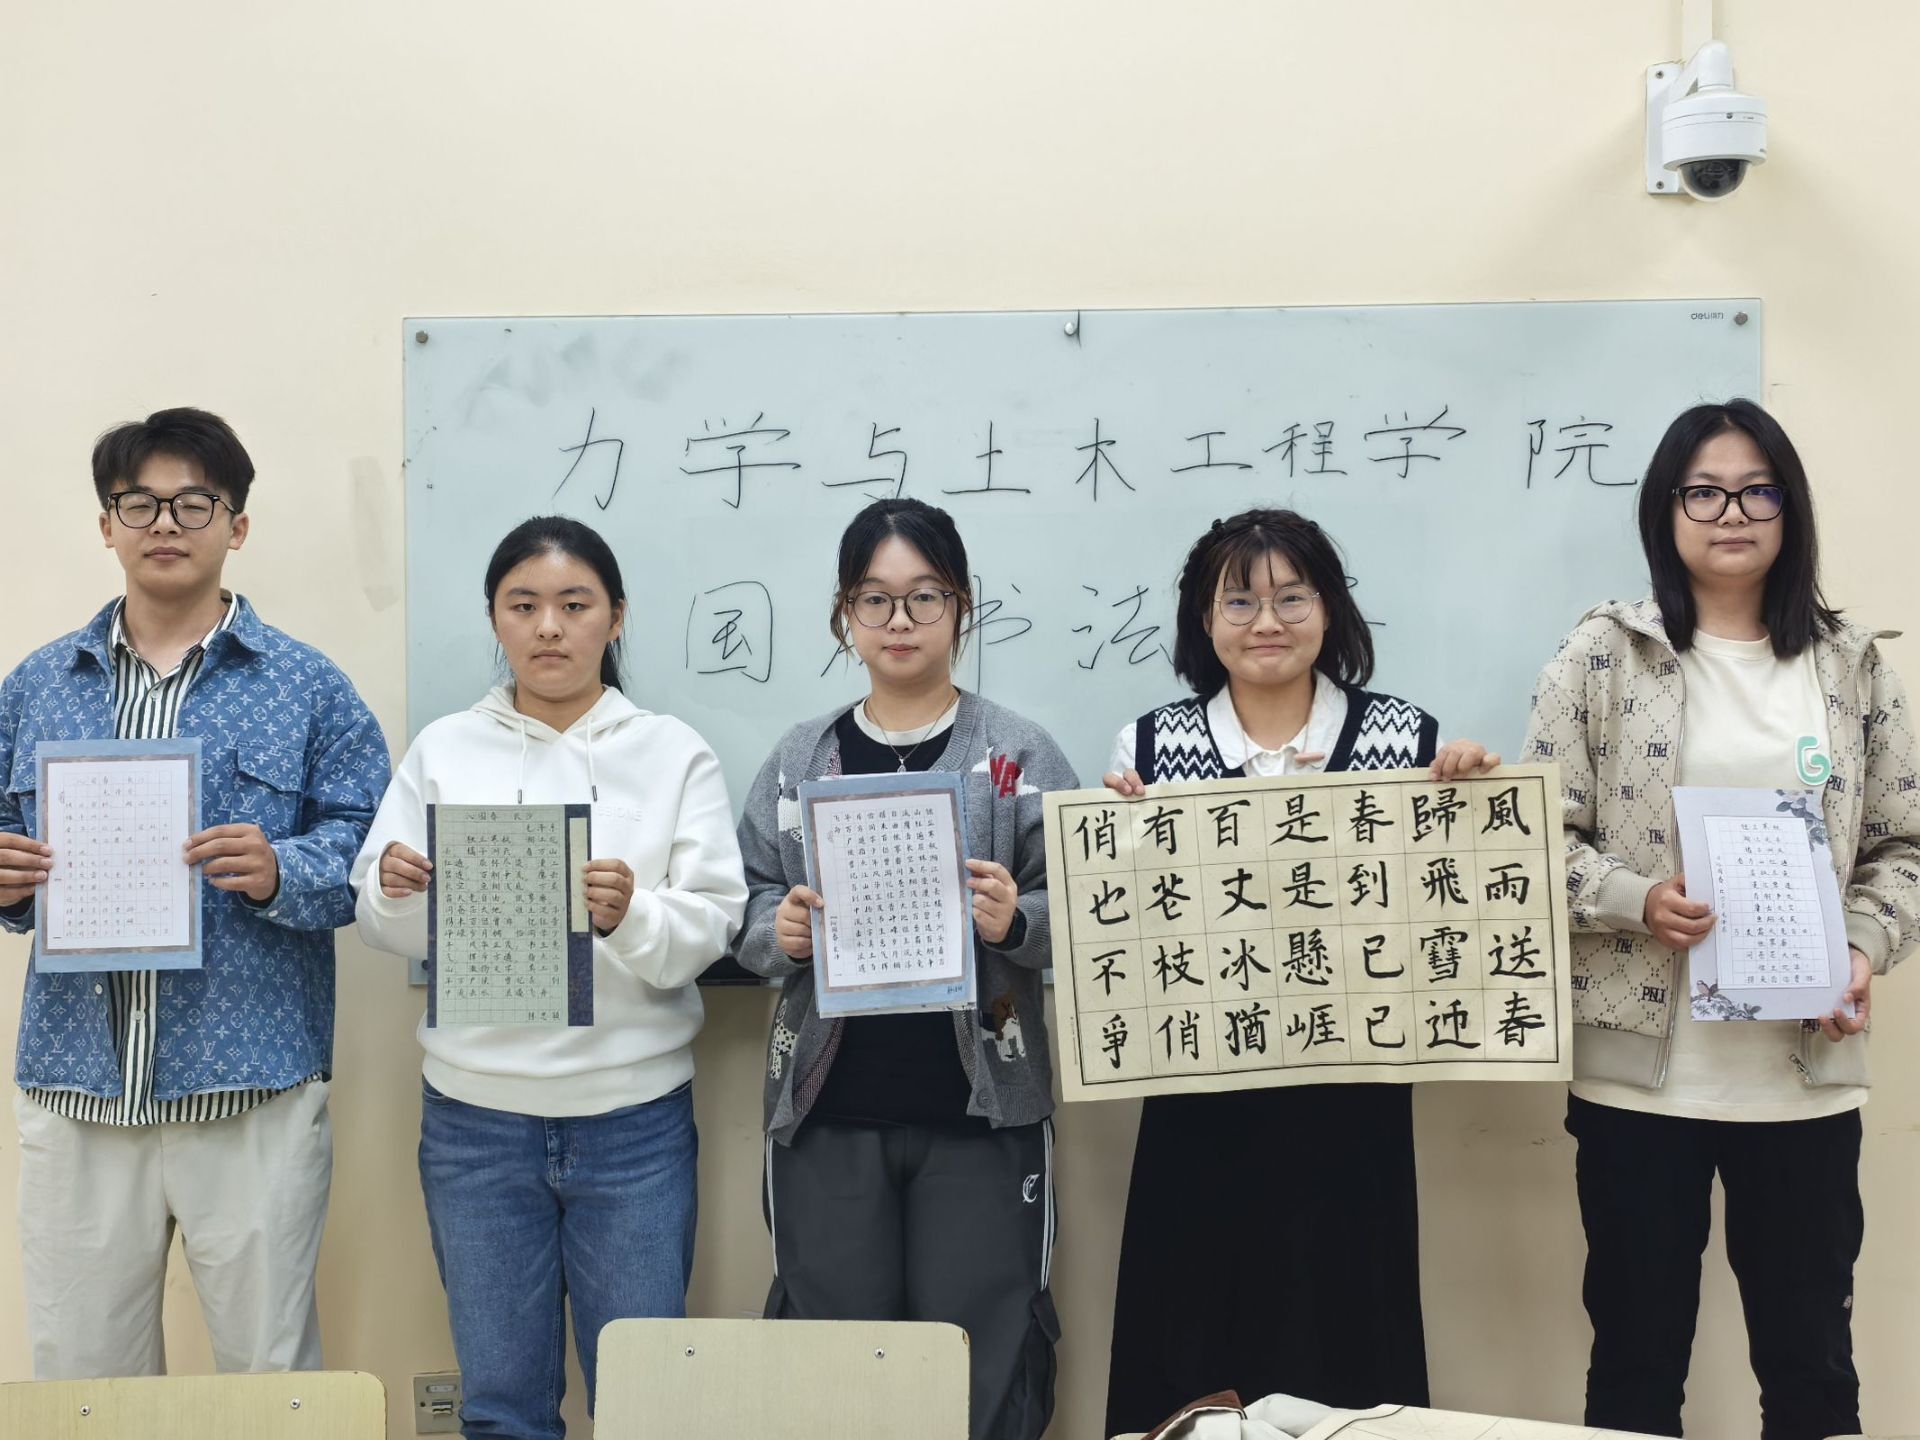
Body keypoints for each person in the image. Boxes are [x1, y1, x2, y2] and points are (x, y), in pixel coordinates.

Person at [1522, 399, 1920, 1440]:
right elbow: (1537, 839)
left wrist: (1862, 948)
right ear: (1666, 510)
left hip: (1803, 1078)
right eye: (1703, 492)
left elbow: (1903, 846)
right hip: (1637, 1083)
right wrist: (1636, 900)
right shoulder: (1602, 654)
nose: (1731, 512)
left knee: (1812, 1368)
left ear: (1790, 508)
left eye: (1756, 491)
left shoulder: (1851, 665)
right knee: (1636, 1363)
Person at [0, 407, 389, 1376]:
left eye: (193, 503)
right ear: (106, 524)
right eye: (139, 503)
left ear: (236, 525)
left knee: (270, 1375)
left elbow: (370, 848)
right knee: (82, 1382)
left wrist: (281, 871)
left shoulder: (308, 686)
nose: (165, 523)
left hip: (251, 1086)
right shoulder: (35, 686)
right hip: (79, 1084)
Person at [1101, 507, 1496, 1436]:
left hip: (1348, 1101)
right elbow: (1128, 934)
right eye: (1238, 601)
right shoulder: (1148, 751)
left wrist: (1472, 806)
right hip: (1201, 1102)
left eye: (1291, 597)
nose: (1266, 621)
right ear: (1204, 620)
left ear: (1330, 608)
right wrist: (1118, 838)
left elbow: (1448, 910)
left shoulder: (1408, 740)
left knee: (1347, 1335)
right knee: (1196, 1332)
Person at [351, 516, 744, 1438]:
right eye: (523, 606)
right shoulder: (445, 748)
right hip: (475, 1122)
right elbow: (380, 916)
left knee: (645, 1405)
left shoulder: (672, 751)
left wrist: (630, 913)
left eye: (575, 604)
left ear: (617, 617)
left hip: (634, 1121)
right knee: (501, 1407)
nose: (549, 628)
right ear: (496, 619)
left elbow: (714, 923)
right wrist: (398, 890)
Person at [733, 497, 1078, 1440]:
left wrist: (1018, 919)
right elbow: (748, 900)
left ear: (961, 606)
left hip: (982, 1114)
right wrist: (779, 931)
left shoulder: (1018, 754)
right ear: (844, 612)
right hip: (828, 1115)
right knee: (836, 1369)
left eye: (924, 597)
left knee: (980, 1356)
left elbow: (1088, 907)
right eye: (874, 599)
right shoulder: (800, 758)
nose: (899, 621)